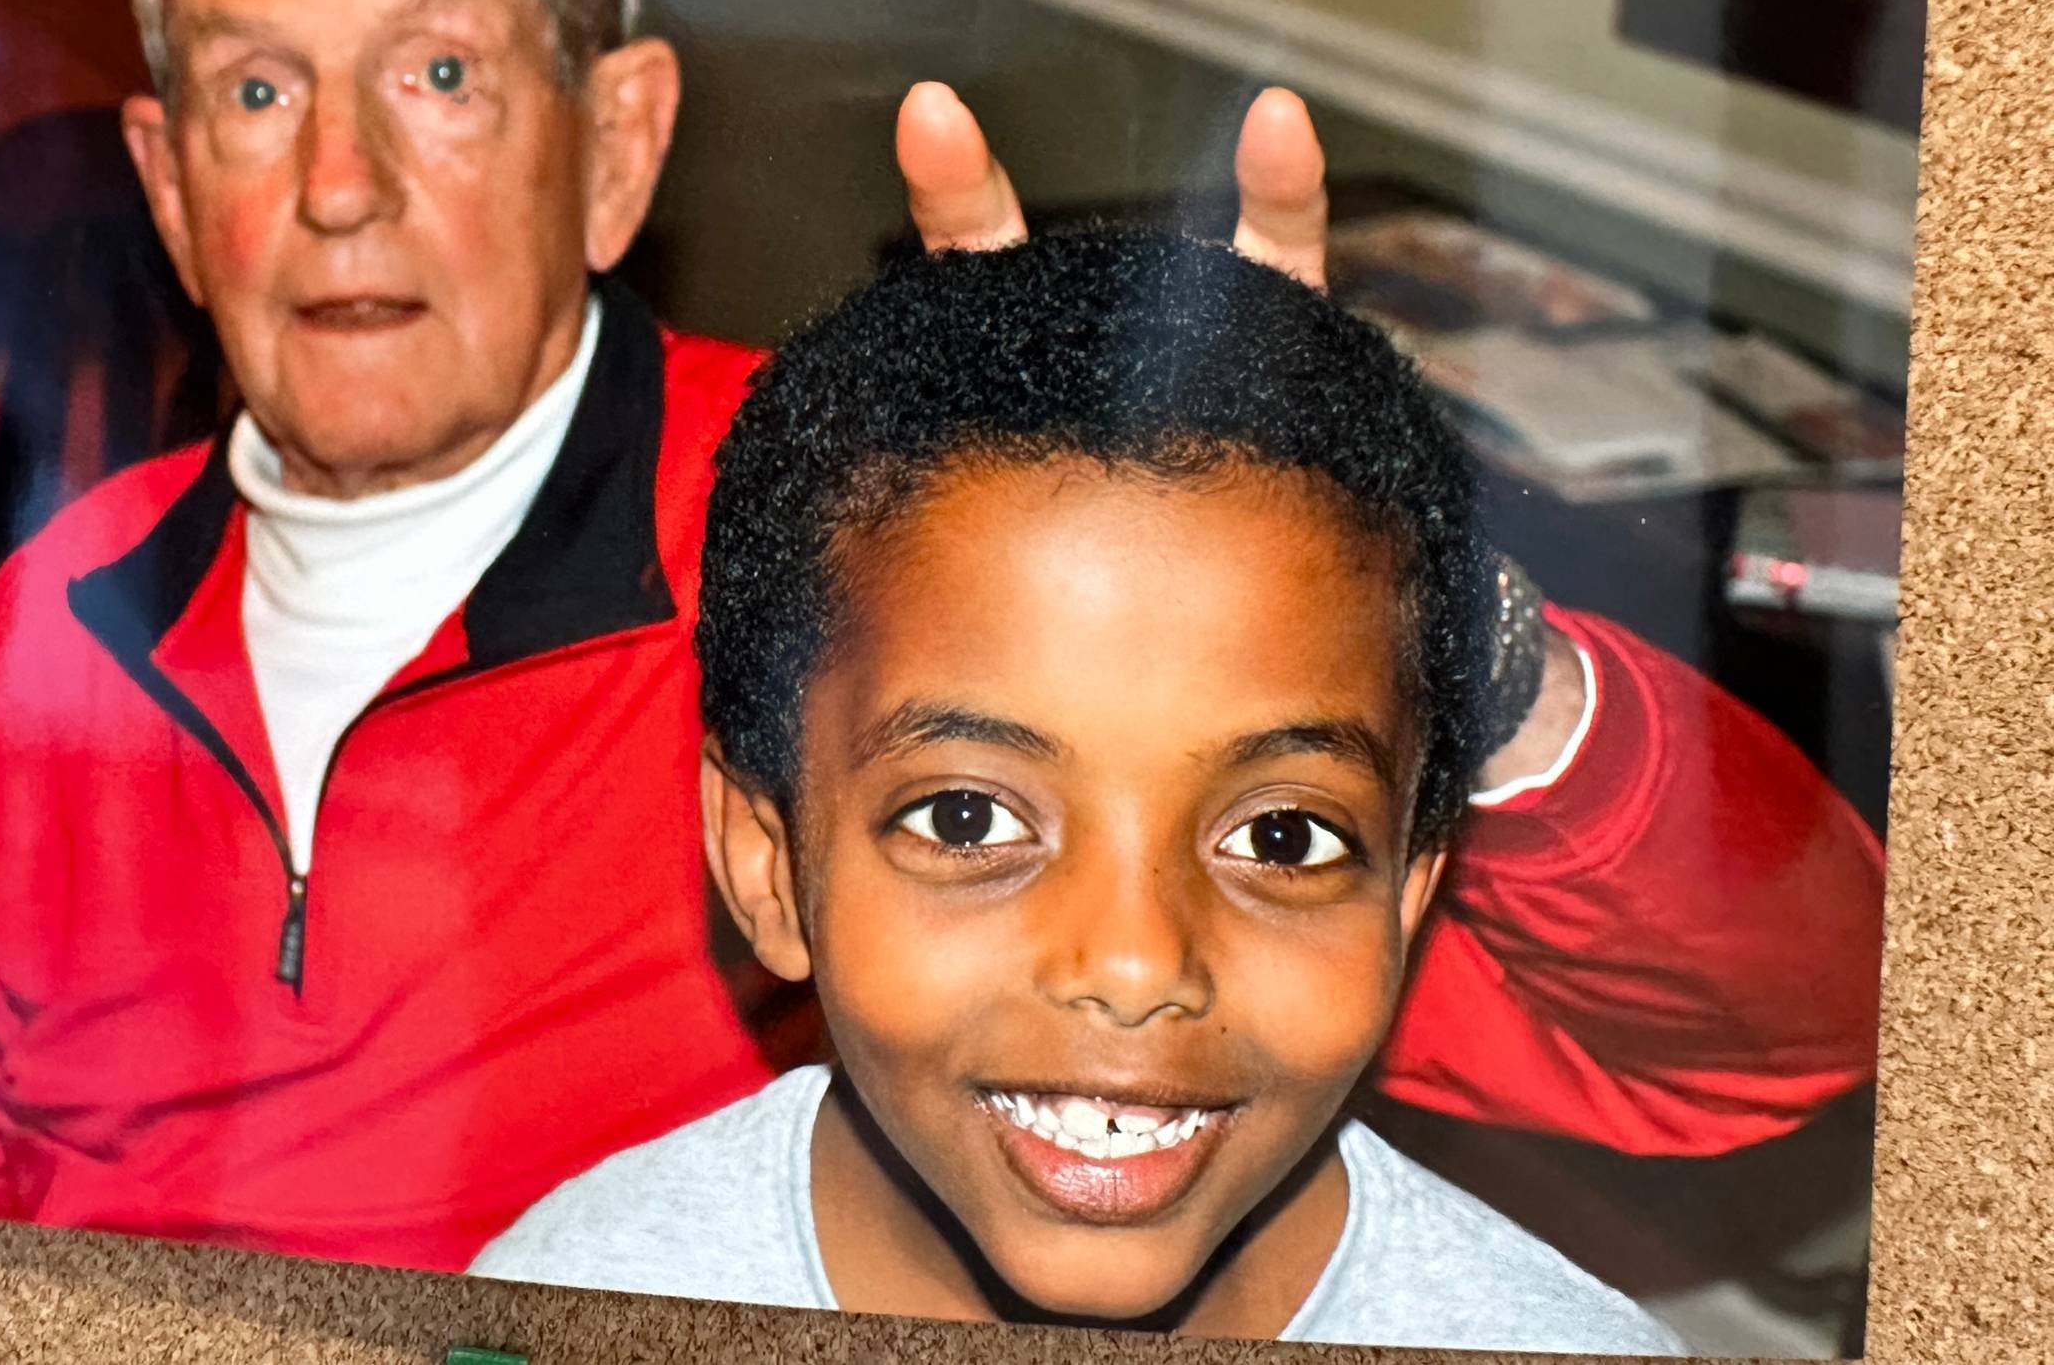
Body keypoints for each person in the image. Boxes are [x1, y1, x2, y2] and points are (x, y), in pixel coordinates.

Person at [0, 0, 1883, 1270]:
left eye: (437, 75)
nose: (340, 187)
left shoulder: (866, 569)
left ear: (615, 144)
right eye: (257, 90)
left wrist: (1455, 622)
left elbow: (1755, 1037)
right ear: (172, 186)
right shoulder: (51, 611)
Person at [473, 226, 1683, 1353]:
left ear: (1410, 895)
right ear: (767, 862)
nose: (1134, 963)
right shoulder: (568, 1303)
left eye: (1281, 833)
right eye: (968, 818)